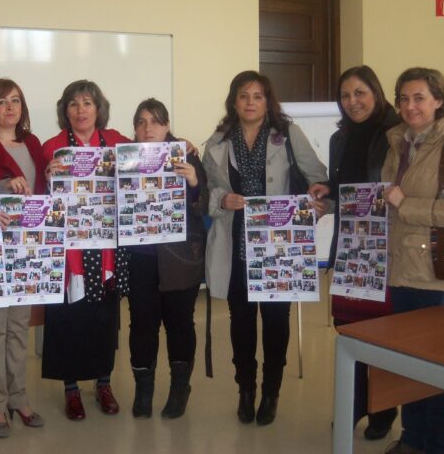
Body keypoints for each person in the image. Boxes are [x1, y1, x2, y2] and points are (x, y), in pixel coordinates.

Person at [203, 71, 327, 426]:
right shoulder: (217, 141)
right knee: (240, 323)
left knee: (275, 323)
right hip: (236, 244)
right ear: (234, 101)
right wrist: (221, 199)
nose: (251, 102)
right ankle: (246, 389)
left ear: (267, 100)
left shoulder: (287, 135)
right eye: (244, 96)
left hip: (280, 247)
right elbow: (206, 195)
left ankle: (271, 391)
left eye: (258, 96)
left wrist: (318, 200)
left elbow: (317, 178)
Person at [380, 67, 444, 454]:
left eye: (419, 97)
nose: (410, 106)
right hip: (399, 272)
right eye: (404, 99)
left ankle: (436, 446)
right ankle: (411, 440)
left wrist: (407, 205)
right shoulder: (399, 143)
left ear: (439, 100)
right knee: (408, 364)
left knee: (439, 371)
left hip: (435, 276)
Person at [309, 66, 400, 441]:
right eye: (345, 95)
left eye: (360, 93)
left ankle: (383, 407)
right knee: (349, 327)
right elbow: (342, 185)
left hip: (388, 244)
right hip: (350, 242)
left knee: (384, 331)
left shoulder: (396, 133)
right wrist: (324, 194)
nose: (353, 102)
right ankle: (357, 400)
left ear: (375, 93)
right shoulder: (339, 138)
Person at [41, 79, 130, 420]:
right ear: (65, 110)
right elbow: (36, 200)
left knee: (104, 317)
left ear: (98, 109)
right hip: (69, 251)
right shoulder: (51, 147)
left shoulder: (117, 142)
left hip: (106, 247)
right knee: (68, 319)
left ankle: (104, 384)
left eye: (87, 103)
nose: (81, 110)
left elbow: (147, 160)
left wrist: (183, 148)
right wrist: (47, 179)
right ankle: (72, 389)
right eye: (74, 104)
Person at [126, 98, 208, 420]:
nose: (148, 129)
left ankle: (179, 388)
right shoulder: (124, 157)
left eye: (156, 122)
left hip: (180, 257)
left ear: (167, 126)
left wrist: (194, 182)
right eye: (142, 122)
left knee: (180, 323)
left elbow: (204, 206)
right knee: (142, 324)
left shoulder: (186, 156)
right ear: (135, 128)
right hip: (141, 256)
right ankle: (143, 389)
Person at [0, 78, 46, 437]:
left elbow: (45, 190)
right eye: (2, 102)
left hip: (27, 248)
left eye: (16, 100)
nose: (10, 107)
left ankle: (19, 397)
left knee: (19, 326)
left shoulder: (32, 143)